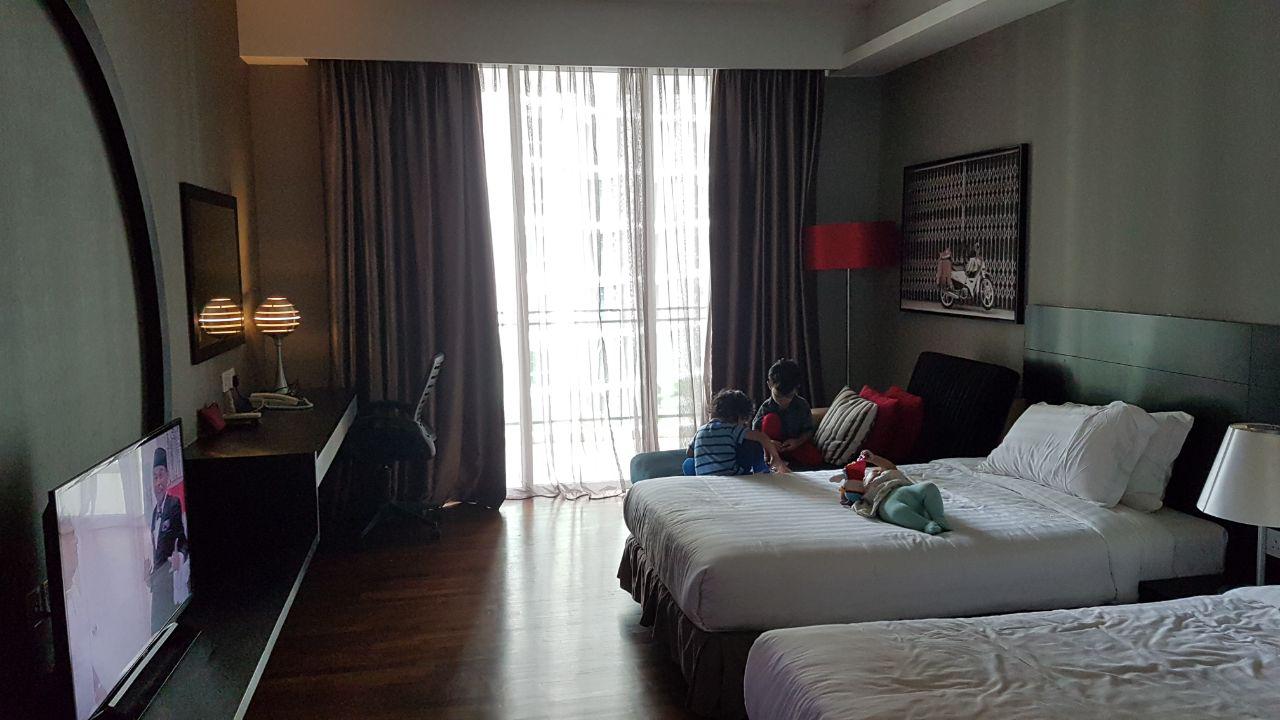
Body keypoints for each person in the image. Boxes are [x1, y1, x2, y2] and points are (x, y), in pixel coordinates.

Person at [843, 450, 950, 535]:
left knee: (928, 487)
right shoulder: (864, 488)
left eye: (877, 471)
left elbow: (889, 466)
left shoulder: (888, 474)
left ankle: (938, 517)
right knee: (896, 510)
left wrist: (873, 459)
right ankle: (925, 524)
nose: (875, 473)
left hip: (903, 489)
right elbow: (851, 493)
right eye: (869, 474)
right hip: (885, 500)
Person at [683, 389, 787, 476]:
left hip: (705, 477)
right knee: (753, 443)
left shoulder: (700, 430)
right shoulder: (732, 429)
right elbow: (761, 437)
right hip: (733, 474)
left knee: (689, 463)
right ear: (739, 417)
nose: (744, 425)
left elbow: (689, 453)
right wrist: (775, 457)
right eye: (744, 422)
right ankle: (762, 471)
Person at [752, 358, 824, 468]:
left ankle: (786, 462)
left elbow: (808, 431)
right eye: (778, 396)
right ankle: (773, 459)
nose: (784, 401)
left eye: (789, 396)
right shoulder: (766, 407)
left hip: (794, 445)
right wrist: (769, 442)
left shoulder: (801, 405)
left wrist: (797, 442)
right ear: (769, 385)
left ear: (796, 388)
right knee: (770, 419)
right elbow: (755, 432)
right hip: (771, 448)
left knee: (816, 458)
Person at [149, 447, 188, 631]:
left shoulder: (173, 504)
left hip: (170, 585)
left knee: (170, 630)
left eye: (161, 475)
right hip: (156, 587)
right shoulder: (153, 514)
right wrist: (148, 576)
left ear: (168, 477)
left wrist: (179, 557)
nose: (158, 481)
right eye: (155, 477)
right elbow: (157, 554)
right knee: (155, 633)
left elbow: (183, 541)